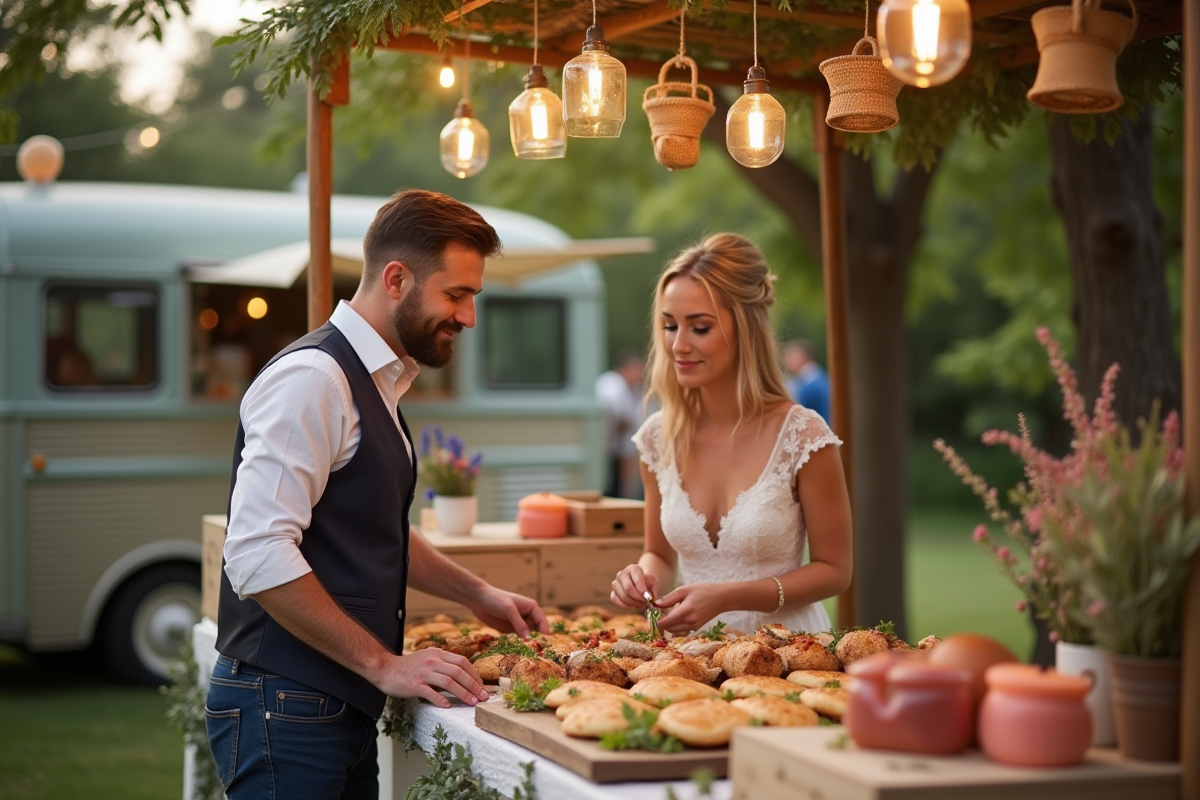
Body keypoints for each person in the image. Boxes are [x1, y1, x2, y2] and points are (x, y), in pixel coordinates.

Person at [206, 189, 548, 800]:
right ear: (396, 278)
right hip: (282, 704)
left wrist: (478, 593)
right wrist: (383, 665)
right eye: (457, 294)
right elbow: (257, 554)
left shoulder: (376, 379)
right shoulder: (314, 379)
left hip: (325, 705)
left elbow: (371, 528)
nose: (468, 316)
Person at [610, 233, 853, 636]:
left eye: (699, 328)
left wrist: (728, 597)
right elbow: (659, 554)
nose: (678, 345)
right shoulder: (657, 437)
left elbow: (835, 571)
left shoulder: (802, 435)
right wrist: (642, 577)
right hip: (688, 661)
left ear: (745, 328)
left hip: (789, 653)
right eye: (670, 326)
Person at [595, 350, 646, 499]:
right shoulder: (612, 385)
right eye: (637, 368)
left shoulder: (633, 389)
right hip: (606, 447)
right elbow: (621, 418)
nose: (640, 373)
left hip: (615, 447)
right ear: (624, 369)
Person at [784, 339, 831, 425]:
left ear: (805, 357)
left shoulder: (811, 385)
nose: (788, 361)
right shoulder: (821, 376)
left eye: (792, 356)